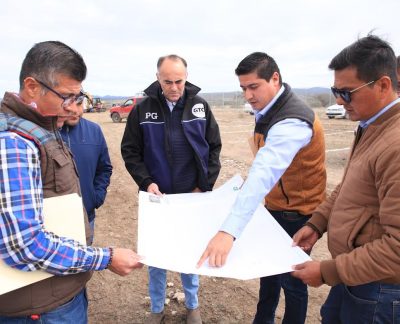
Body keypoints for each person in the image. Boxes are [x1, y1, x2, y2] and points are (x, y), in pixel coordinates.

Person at [0, 41, 142, 323]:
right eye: (66, 96)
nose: (72, 107)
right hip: (39, 308)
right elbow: (25, 245)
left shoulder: (42, 128)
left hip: (56, 292)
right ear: (31, 86)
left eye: (77, 97)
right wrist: (106, 257)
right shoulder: (14, 143)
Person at [197, 52, 326, 324]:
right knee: (268, 277)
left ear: (275, 78)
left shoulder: (293, 120)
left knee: (293, 279)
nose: (248, 95)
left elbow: (264, 171)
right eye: (243, 88)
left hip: (298, 214)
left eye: (254, 86)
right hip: (275, 207)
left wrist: (227, 231)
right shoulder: (268, 110)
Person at [291, 35, 400, 324]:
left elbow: (398, 248)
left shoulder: (395, 144)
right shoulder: (371, 125)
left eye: (348, 92)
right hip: (354, 276)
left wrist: (328, 271)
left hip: (380, 290)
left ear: (383, 85)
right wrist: (317, 224)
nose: (340, 101)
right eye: (335, 91)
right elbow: (349, 186)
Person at [121, 54, 222, 324]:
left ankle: (192, 306)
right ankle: (156, 309)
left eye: (179, 81)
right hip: (157, 199)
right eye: (168, 81)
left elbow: (214, 149)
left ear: (186, 77)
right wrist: (146, 182)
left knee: (191, 253)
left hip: (191, 197)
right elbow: (130, 151)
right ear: (158, 78)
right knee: (156, 257)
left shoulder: (200, 107)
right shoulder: (142, 110)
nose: (174, 87)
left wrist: (204, 186)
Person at [60, 96, 113, 244]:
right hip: (52, 219)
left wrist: (96, 196)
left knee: (84, 262)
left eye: (79, 104)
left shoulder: (94, 130)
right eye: (69, 104)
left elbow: (104, 168)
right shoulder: (44, 132)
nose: (76, 110)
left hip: (86, 216)